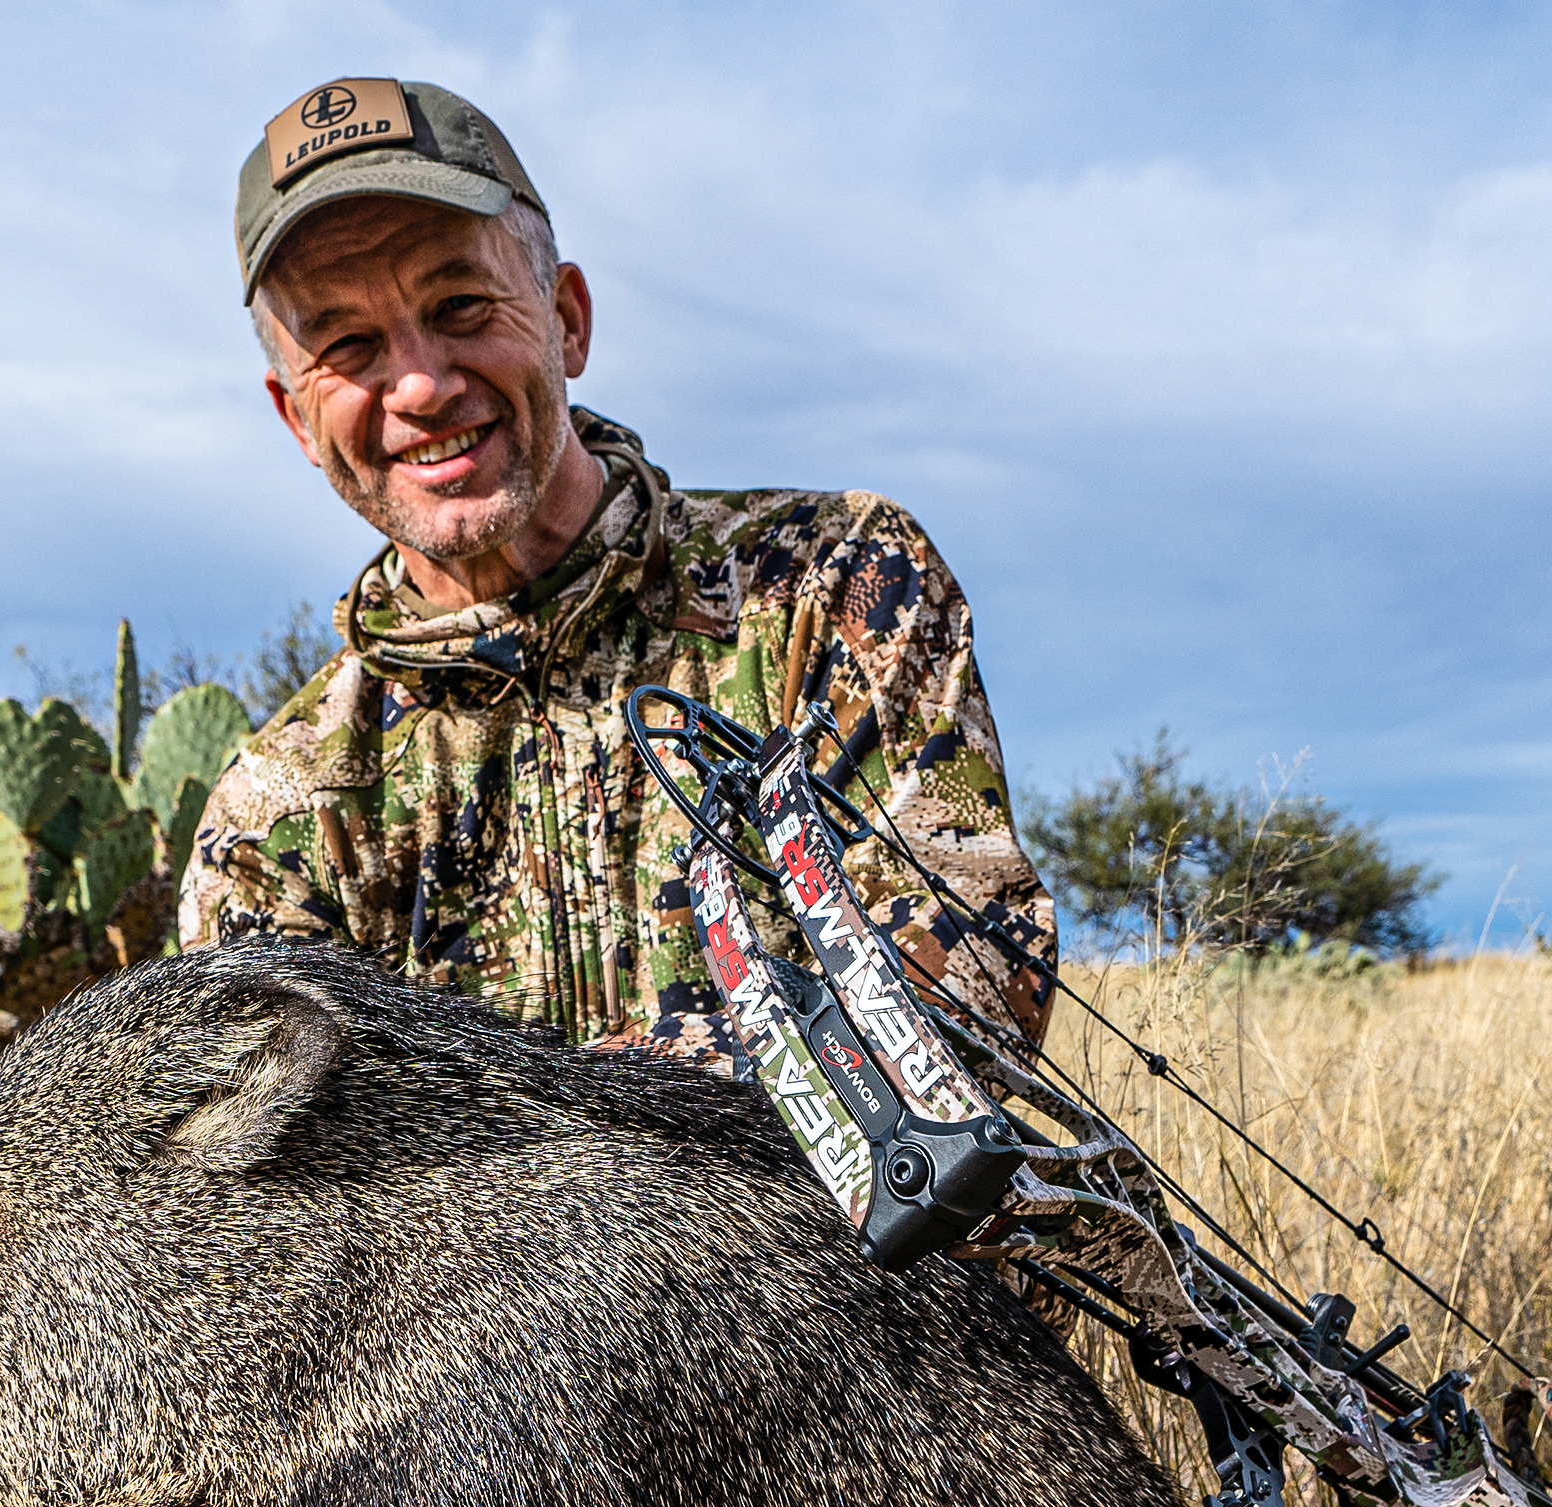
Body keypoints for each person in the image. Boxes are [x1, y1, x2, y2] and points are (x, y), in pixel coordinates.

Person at [186, 76, 1057, 1061]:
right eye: (348, 345)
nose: (421, 385)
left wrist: (567, 1140)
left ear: (568, 321)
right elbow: (276, 1176)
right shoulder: (278, 810)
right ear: (296, 418)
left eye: (462, 305)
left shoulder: (829, 583)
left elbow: (975, 970)